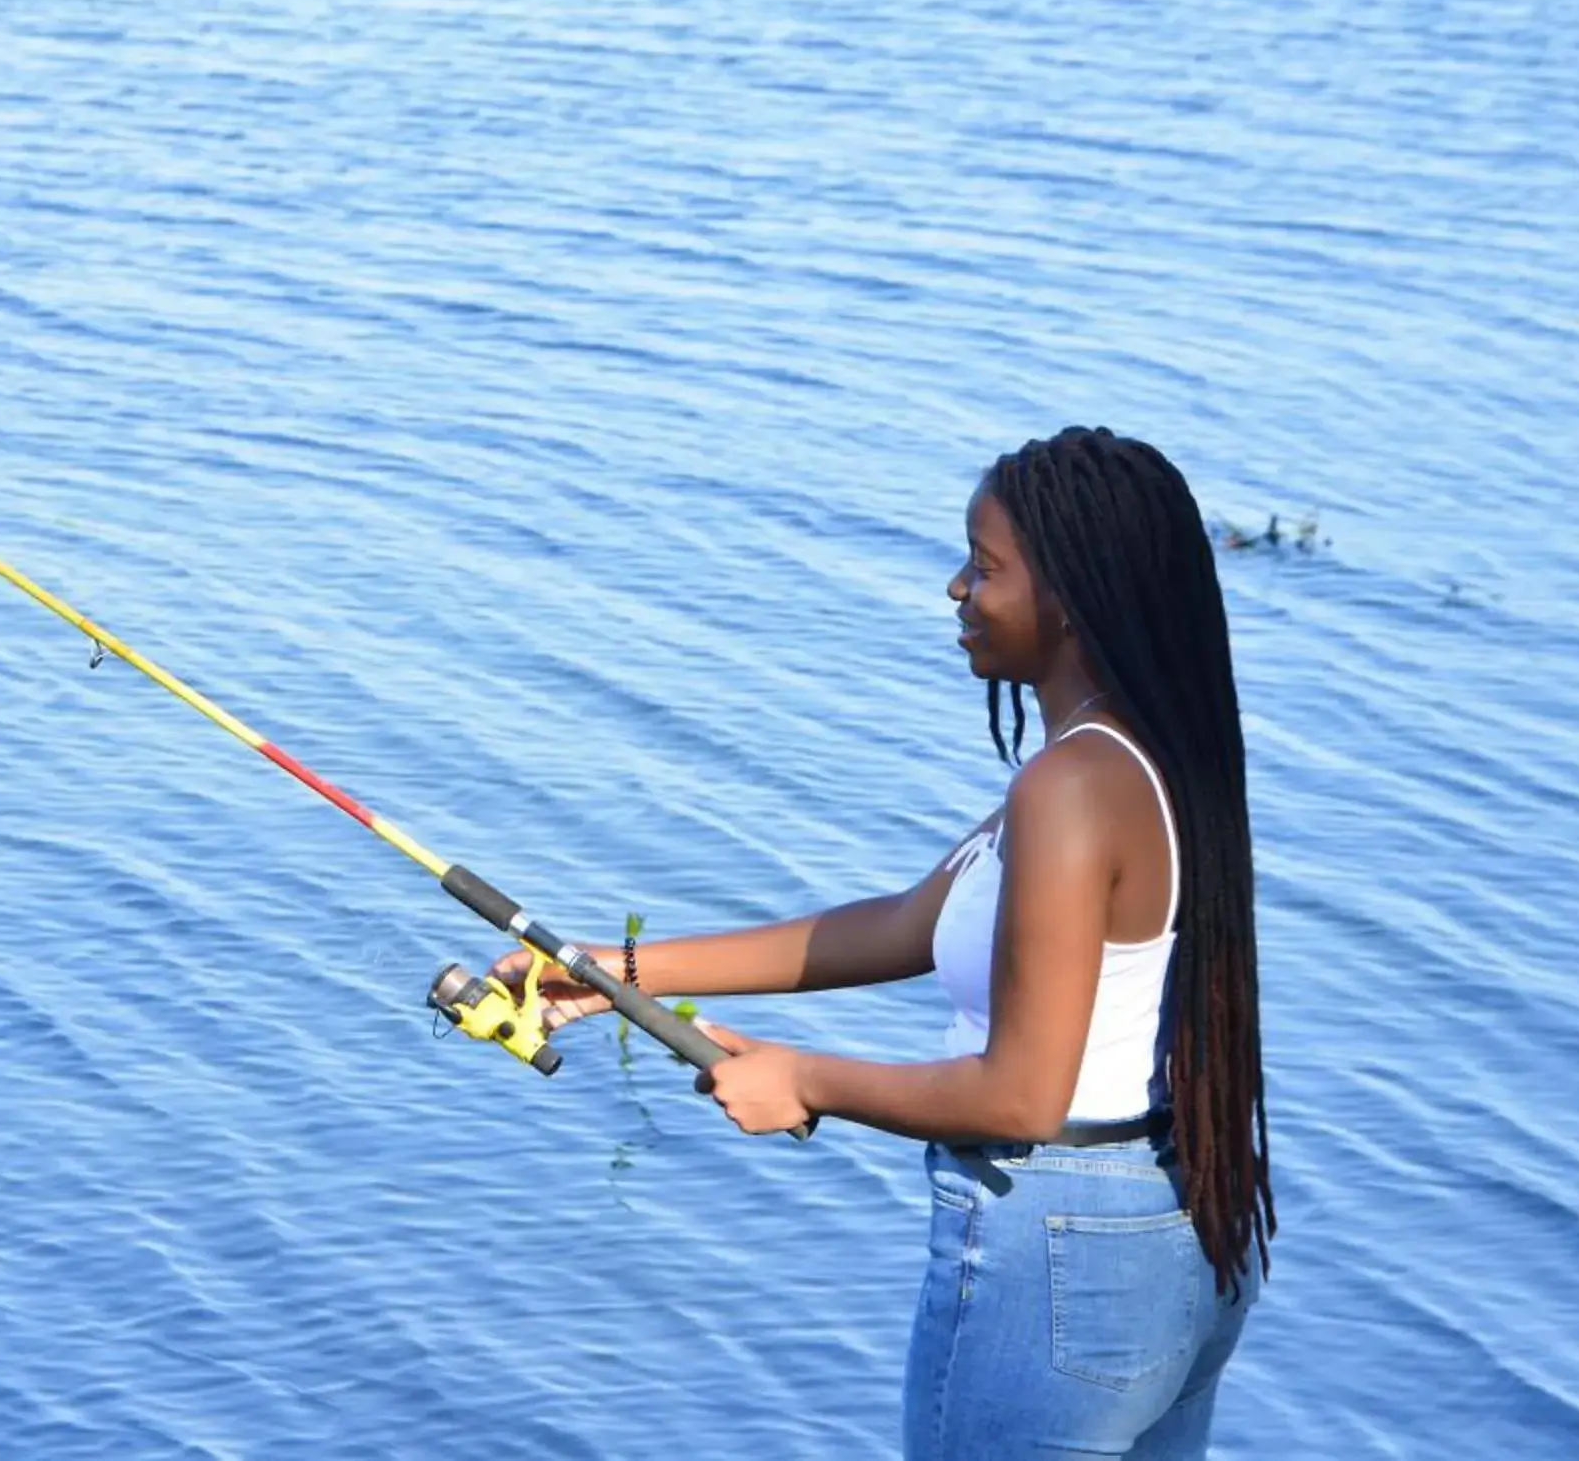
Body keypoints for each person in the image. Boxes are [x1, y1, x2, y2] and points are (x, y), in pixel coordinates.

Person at [494, 427, 1273, 1458]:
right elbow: (909, 923)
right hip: (1172, 1236)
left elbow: (1020, 1096)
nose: (957, 589)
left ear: (1073, 593)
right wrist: (611, 971)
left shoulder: (1071, 788)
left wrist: (803, 1079)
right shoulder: (1137, 756)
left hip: (1055, 1251)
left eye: (985, 566)